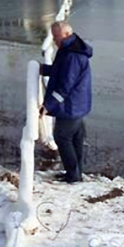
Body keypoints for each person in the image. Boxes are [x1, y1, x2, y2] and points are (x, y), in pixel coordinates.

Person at [40, 21, 93, 183]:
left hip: (71, 105)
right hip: (78, 104)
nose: (54, 40)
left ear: (67, 34)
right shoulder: (69, 50)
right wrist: (44, 69)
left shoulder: (72, 55)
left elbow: (65, 86)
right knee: (75, 138)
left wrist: (48, 105)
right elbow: (60, 72)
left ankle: (73, 174)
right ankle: (76, 173)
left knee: (61, 137)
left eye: (56, 36)